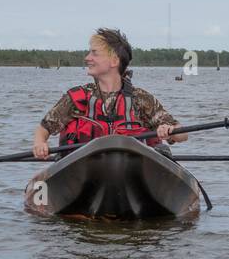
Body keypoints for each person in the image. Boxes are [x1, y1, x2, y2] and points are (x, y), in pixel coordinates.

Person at [32, 28, 186, 160]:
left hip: (132, 169)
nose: (87, 58)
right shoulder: (77, 98)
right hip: (85, 169)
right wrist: (40, 143)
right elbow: (43, 128)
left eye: (94, 53)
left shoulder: (140, 99)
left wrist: (169, 131)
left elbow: (182, 135)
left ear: (114, 61)